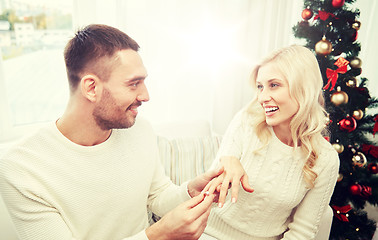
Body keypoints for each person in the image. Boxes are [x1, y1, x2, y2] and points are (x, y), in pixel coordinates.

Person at [0, 24, 225, 240]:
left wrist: (190, 191)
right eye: (134, 83)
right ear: (91, 88)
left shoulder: (140, 129)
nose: (145, 95)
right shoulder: (22, 167)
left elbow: (157, 195)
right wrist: (158, 235)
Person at [201, 45, 340, 240]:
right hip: (207, 233)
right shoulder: (246, 121)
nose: (262, 98)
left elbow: (302, 232)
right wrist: (228, 161)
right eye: (260, 87)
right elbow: (211, 188)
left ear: (304, 89)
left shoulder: (325, 159)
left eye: (274, 85)